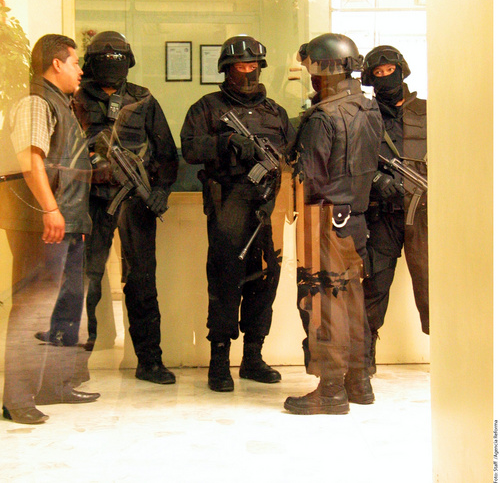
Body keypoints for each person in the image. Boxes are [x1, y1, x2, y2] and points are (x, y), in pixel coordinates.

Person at [180, 35, 294, 392]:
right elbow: (189, 149)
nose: (247, 72)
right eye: (240, 66)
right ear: (226, 70)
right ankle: (219, 361)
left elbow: (291, 156)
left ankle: (253, 357)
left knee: (265, 281)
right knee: (225, 282)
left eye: (253, 65)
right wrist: (226, 142)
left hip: (268, 209)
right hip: (227, 208)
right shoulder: (207, 107)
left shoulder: (275, 112)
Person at [0, 34, 99, 425]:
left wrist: (72, 219)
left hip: (67, 222)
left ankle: (54, 386)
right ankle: (17, 398)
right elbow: (30, 161)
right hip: (43, 222)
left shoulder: (61, 103)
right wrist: (52, 209)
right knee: (34, 306)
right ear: (56, 64)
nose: (80, 71)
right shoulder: (35, 102)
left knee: (66, 304)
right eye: (75, 62)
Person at [72, 31, 179, 385]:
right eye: (105, 59)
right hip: (90, 201)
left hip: (134, 201)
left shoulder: (142, 99)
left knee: (141, 282)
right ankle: (74, 365)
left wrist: (161, 190)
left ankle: (150, 361)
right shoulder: (75, 98)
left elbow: (165, 151)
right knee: (86, 283)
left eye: (118, 59)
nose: (112, 65)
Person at [284, 33, 383, 415]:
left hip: (324, 220)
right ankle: (358, 382)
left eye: (312, 69)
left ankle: (330, 390)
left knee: (323, 305)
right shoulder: (368, 108)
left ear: (322, 72)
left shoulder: (323, 117)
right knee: (353, 303)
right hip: (355, 219)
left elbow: (307, 178)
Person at [361, 45, 429, 374]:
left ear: (402, 71)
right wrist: (376, 180)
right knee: (374, 283)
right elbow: (350, 159)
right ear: (370, 79)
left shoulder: (429, 111)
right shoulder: (364, 115)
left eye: (390, 71)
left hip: (423, 212)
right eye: (379, 73)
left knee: (431, 282)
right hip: (382, 214)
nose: (386, 77)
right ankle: (365, 353)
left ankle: (444, 353)